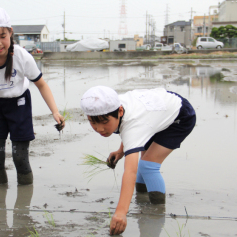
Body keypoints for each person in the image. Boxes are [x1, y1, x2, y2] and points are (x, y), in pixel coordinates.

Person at [0, 7, 64, 185]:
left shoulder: (22, 56)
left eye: (3, 36)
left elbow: (41, 84)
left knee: (20, 159)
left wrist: (55, 111)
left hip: (19, 106)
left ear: (10, 33)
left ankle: (23, 208)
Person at [80, 86, 196, 235]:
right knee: (143, 164)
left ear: (119, 111)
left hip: (179, 116)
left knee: (147, 165)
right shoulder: (114, 108)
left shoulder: (132, 122)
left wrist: (121, 212)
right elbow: (127, 127)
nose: (99, 128)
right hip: (153, 113)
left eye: (104, 122)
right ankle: (142, 202)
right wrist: (121, 151)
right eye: (92, 122)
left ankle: (157, 212)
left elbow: (130, 170)